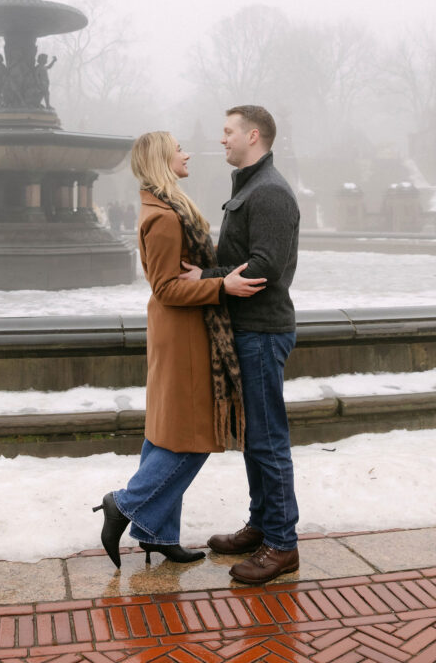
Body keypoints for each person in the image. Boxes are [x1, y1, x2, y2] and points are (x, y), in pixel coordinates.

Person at [93, 131, 266, 568]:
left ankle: (158, 533)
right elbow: (168, 287)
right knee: (193, 437)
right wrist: (221, 284)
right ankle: (125, 504)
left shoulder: (165, 207)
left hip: (181, 330)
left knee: (166, 432)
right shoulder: (165, 217)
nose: (187, 154)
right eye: (179, 150)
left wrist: (208, 276)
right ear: (162, 160)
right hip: (185, 334)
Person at [180, 105, 300, 585]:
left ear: (254, 135)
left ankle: (283, 545)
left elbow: (264, 265)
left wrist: (204, 277)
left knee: (268, 439)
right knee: (255, 437)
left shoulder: (269, 192)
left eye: (228, 131)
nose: (221, 139)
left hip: (263, 331)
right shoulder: (253, 186)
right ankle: (262, 525)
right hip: (249, 330)